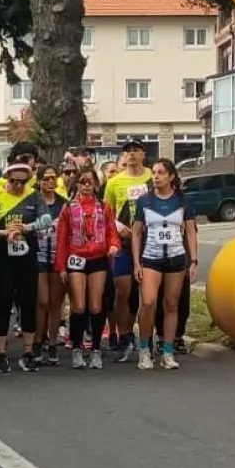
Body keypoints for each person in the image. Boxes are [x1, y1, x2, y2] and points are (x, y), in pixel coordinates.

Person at [0, 162, 52, 372]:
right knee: (2, 303)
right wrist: (3, 233)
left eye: (22, 182)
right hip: (2, 255)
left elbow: (47, 219)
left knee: (28, 302)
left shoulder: (33, 196)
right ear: (6, 178)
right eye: (13, 181)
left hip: (26, 254)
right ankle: (1, 351)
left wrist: (27, 227)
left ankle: (28, 351)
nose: (18, 186)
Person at [132, 158, 198, 370]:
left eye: (161, 173)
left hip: (176, 258)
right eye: (154, 173)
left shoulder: (183, 200)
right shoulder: (144, 201)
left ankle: (167, 352)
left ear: (171, 176)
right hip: (151, 258)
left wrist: (194, 261)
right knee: (149, 302)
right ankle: (144, 350)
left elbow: (190, 232)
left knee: (171, 304)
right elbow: (136, 233)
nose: (156, 177)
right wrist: (137, 263)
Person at [54, 165, 121, 369]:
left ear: (95, 185)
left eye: (89, 182)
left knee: (95, 305)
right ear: (76, 185)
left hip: (98, 258)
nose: (85, 185)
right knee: (79, 305)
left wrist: (113, 246)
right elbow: (62, 239)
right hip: (76, 257)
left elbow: (112, 232)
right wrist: (61, 266)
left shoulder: (104, 206)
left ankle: (96, 350)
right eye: (82, 181)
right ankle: (76, 347)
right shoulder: (68, 208)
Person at [103, 139, 151, 362]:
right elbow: (107, 213)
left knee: (147, 294)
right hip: (123, 244)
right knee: (123, 289)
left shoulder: (152, 177)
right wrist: (117, 229)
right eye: (128, 152)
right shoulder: (115, 182)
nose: (131, 155)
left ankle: (147, 337)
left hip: (149, 243)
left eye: (136, 151)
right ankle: (124, 336)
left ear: (143, 154)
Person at [34, 164, 68, 364]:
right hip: (38, 257)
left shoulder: (64, 204)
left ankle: (53, 343)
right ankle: (38, 341)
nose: (49, 181)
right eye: (45, 178)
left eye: (52, 178)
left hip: (57, 257)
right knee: (42, 301)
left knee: (56, 302)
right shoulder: (33, 201)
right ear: (38, 181)